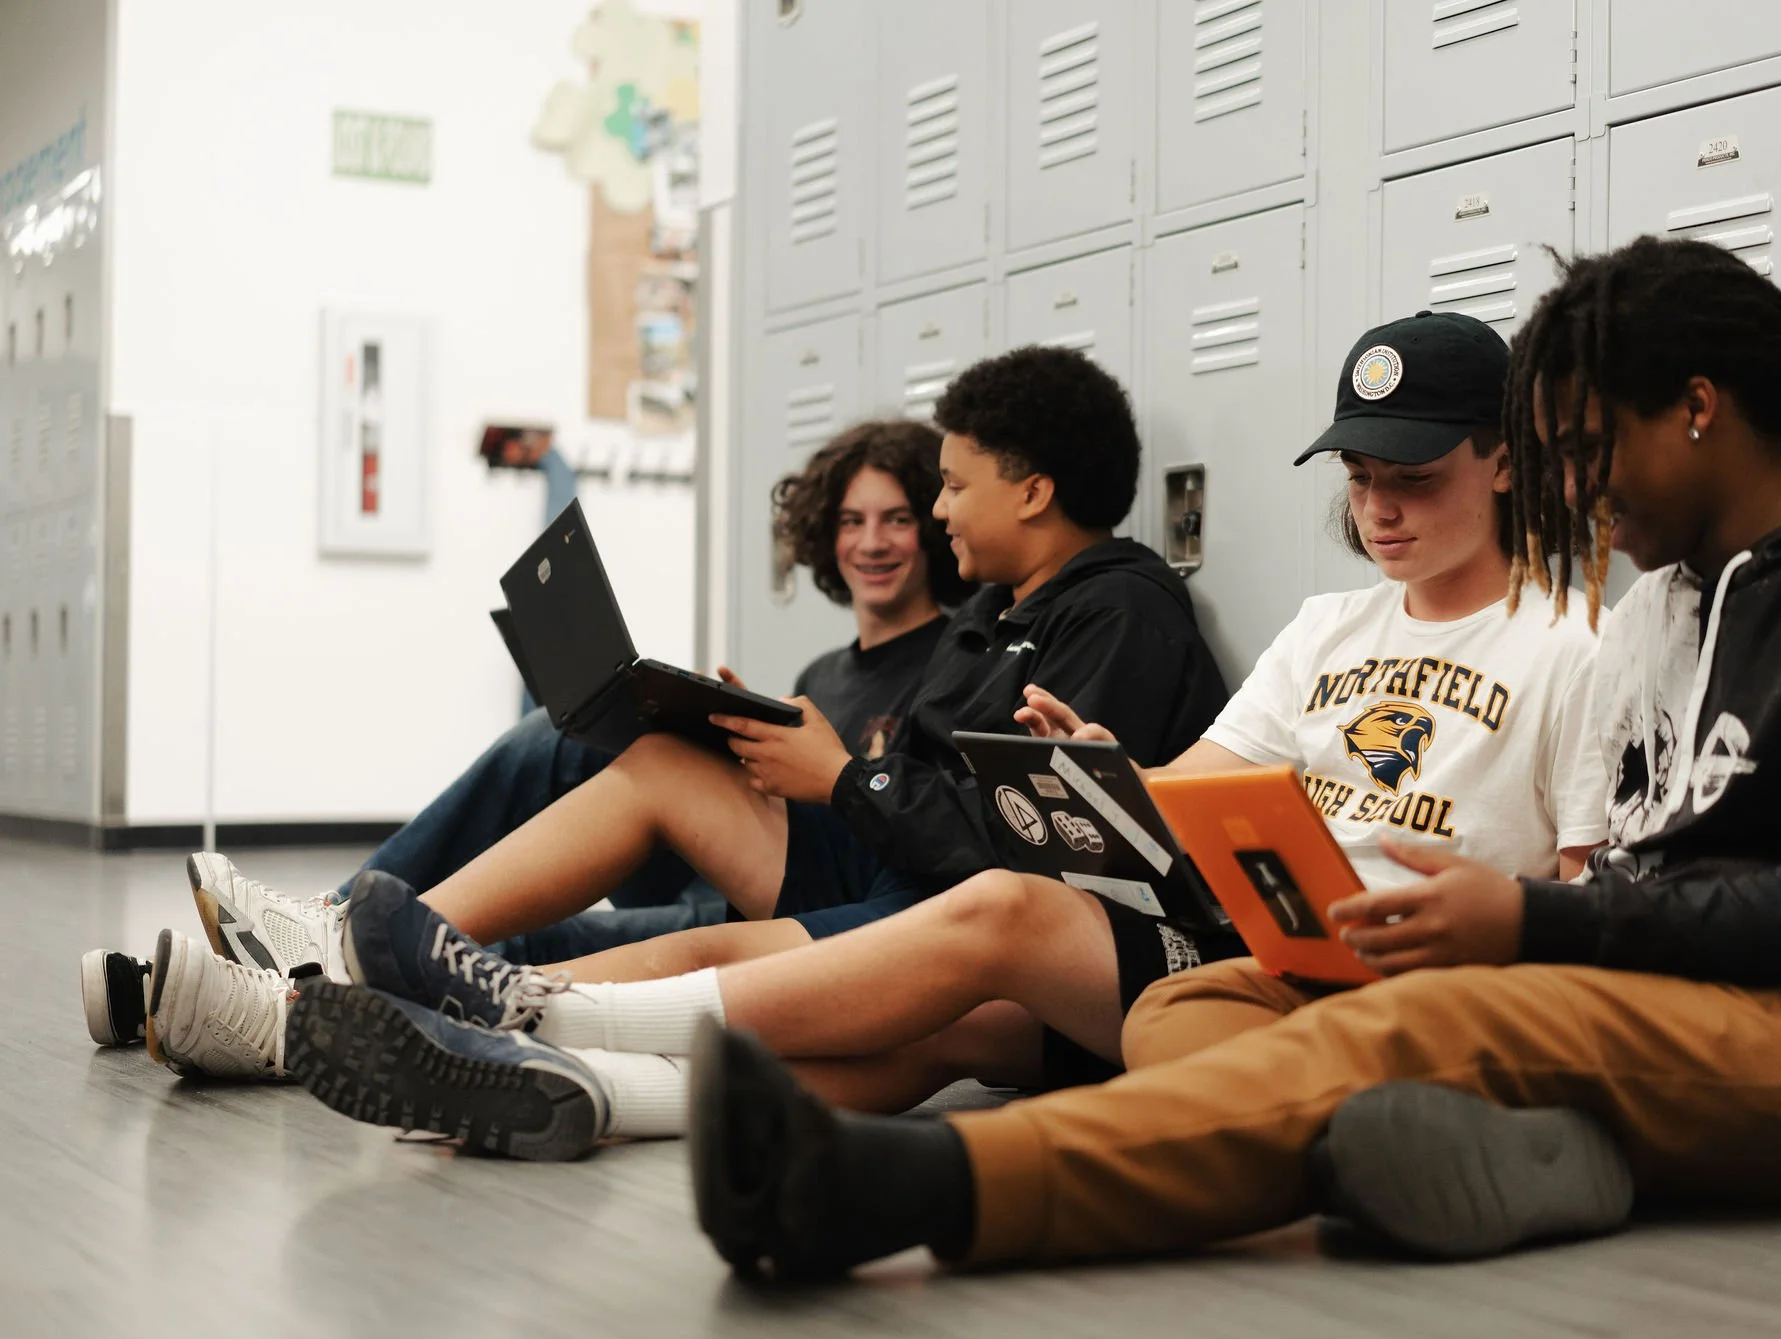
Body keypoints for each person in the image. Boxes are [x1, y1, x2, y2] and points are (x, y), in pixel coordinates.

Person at [681, 235, 1781, 1279]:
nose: (1569, 485)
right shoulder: (1665, 604)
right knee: (1198, 1005)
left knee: (1439, 1018)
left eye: (1580, 446)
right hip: (1690, 996)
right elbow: (1644, 863)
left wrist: (1531, 920)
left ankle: (905, 1190)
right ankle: (1549, 1156)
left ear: (1696, 409)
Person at [271, 310, 1612, 1162]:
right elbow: (1187, 793)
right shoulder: (1330, 626)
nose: (1380, 508)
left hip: (1402, 980)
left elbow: (1585, 896)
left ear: (1506, 462)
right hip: (1246, 937)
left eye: (1415, 477)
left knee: (993, 933)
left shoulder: (1572, 642)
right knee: (945, 1022)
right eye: (1363, 478)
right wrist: (1095, 769)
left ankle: (527, 1007)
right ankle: (562, 1082)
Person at [147, 349, 1233, 1137]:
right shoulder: (989, 616)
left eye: (949, 486)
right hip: (900, 862)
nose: (938, 514)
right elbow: (927, 792)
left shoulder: (1119, 612)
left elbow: (1024, 851)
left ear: (1033, 491)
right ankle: (329, 951)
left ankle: (313, 1017)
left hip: (961, 896)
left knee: (698, 953)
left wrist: (844, 779)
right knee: (658, 764)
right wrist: (804, 761)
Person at [80, 419, 968, 1048]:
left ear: (933, 528)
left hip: (802, 907)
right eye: (853, 520)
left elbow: (908, 830)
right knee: (557, 740)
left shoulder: (954, 661)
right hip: (733, 864)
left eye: (896, 518)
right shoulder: (823, 674)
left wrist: (832, 770)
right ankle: (282, 952)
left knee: (515, 944)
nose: (873, 541)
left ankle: (257, 992)